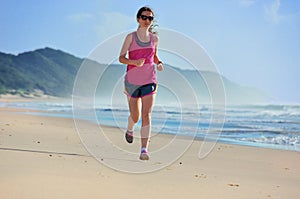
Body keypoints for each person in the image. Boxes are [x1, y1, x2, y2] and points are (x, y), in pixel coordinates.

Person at [119, 6, 163, 160]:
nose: (147, 21)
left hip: (150, 80)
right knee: (136, 116)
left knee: (147, 115)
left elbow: (154, 56)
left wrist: (159, 63)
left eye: (150, 18)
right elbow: (121, 58)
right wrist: (134, 62)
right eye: (144, 17)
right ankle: (130, 128)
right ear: (138, 19)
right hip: (132, 82)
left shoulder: (154, 39)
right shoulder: (130, 37)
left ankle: (144, 149)